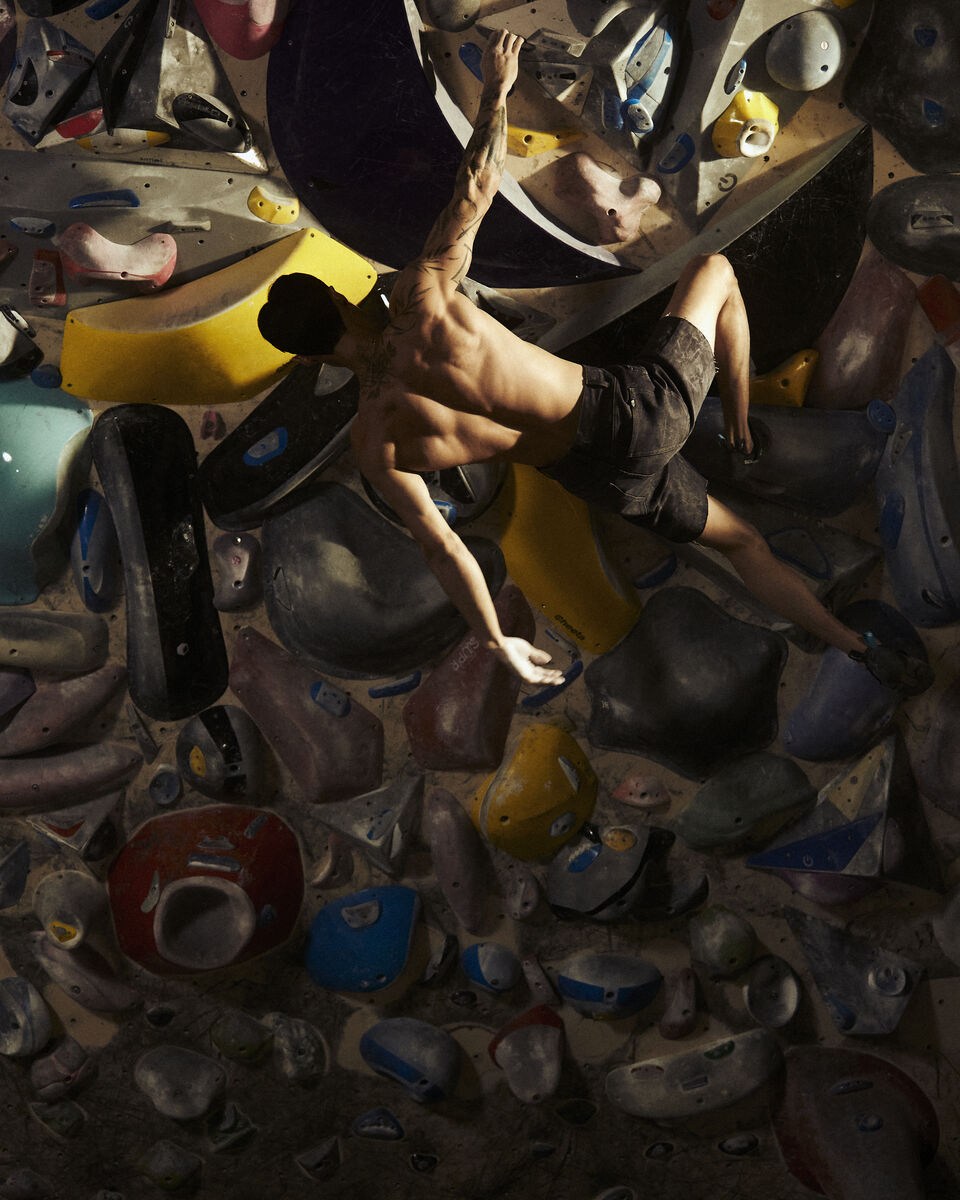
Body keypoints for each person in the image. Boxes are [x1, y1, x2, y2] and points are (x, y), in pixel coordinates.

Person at [257, 30, 930, 696]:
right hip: (629, 413)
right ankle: (741, 421)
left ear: (310, 357)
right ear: (339, 299)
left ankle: (856, 648)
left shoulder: (375, 441)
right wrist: (496, 90)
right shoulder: (421, 297)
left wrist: (495, 637)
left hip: (599, 478)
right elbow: (477, 185)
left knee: (742, 544)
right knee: (713, 270)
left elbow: (442, 546)